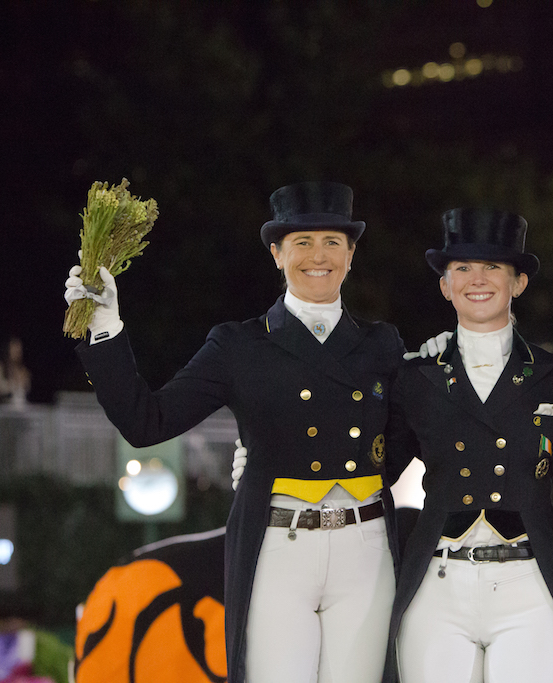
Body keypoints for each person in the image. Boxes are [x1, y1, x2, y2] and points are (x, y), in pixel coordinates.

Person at [65, 181, 404, 683]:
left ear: (351, 255)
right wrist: (106, 328)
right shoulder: (237, 346)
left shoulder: (383, 344)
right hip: (278, 548)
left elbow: (412, 437)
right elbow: (146, 422)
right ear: (276, 254)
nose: (318, 256)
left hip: (366, 547)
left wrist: (450, 361)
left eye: (333, 242)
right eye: (301, 242)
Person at [383, 208, 553, 683]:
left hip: (529, 583)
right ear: (445, 285)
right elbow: (373, 468)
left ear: (518, 284)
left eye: (493, 267)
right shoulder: (416, 377)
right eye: (463, 269)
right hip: (437, 585)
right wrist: (269, 456)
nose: (478, 279)